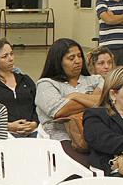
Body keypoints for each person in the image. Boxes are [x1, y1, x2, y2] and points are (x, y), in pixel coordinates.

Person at [36, 38, 103, 166]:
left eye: (79, 56)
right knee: (84, 166)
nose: (77, 61)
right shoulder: (46, 84)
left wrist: (75, 96)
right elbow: (59, 111)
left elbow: (107, 100)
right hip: (62, 137)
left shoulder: (96, 79)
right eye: (71, 58)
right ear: (58, 62)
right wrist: (92, 99)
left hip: (96, 134)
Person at [0, 38, 38, 138]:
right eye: (5, 56)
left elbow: (37, 106)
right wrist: (8, 126)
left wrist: (34, 123)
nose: (10, 59)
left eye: (11, 54)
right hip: (3, 134)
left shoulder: (25, 80)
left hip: (32, 132)